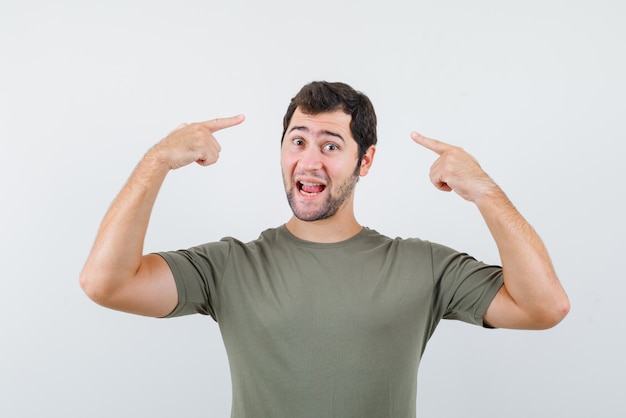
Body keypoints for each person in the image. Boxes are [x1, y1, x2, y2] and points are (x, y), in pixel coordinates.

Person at [80, 81, 569, 417]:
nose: (309, 161)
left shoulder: (424, 266)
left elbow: (544, 306)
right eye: (297, 141)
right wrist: (158, 159)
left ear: (366, 160)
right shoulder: (229, 266)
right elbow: (105, 283)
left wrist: (483, 189)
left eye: (331, 145)